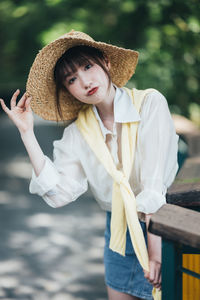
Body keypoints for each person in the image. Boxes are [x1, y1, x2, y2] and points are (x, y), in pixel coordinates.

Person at [0, 30, 179, 300]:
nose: (85, 81)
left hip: (160, 227)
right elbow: (59, 193)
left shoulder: (149, 104)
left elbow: (153, 187)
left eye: (87, 66)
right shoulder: (78, 133)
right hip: (118, 231)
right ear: (67, 89)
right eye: (72, 79)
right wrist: (27, 134)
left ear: (105, 61)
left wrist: (155, 254)